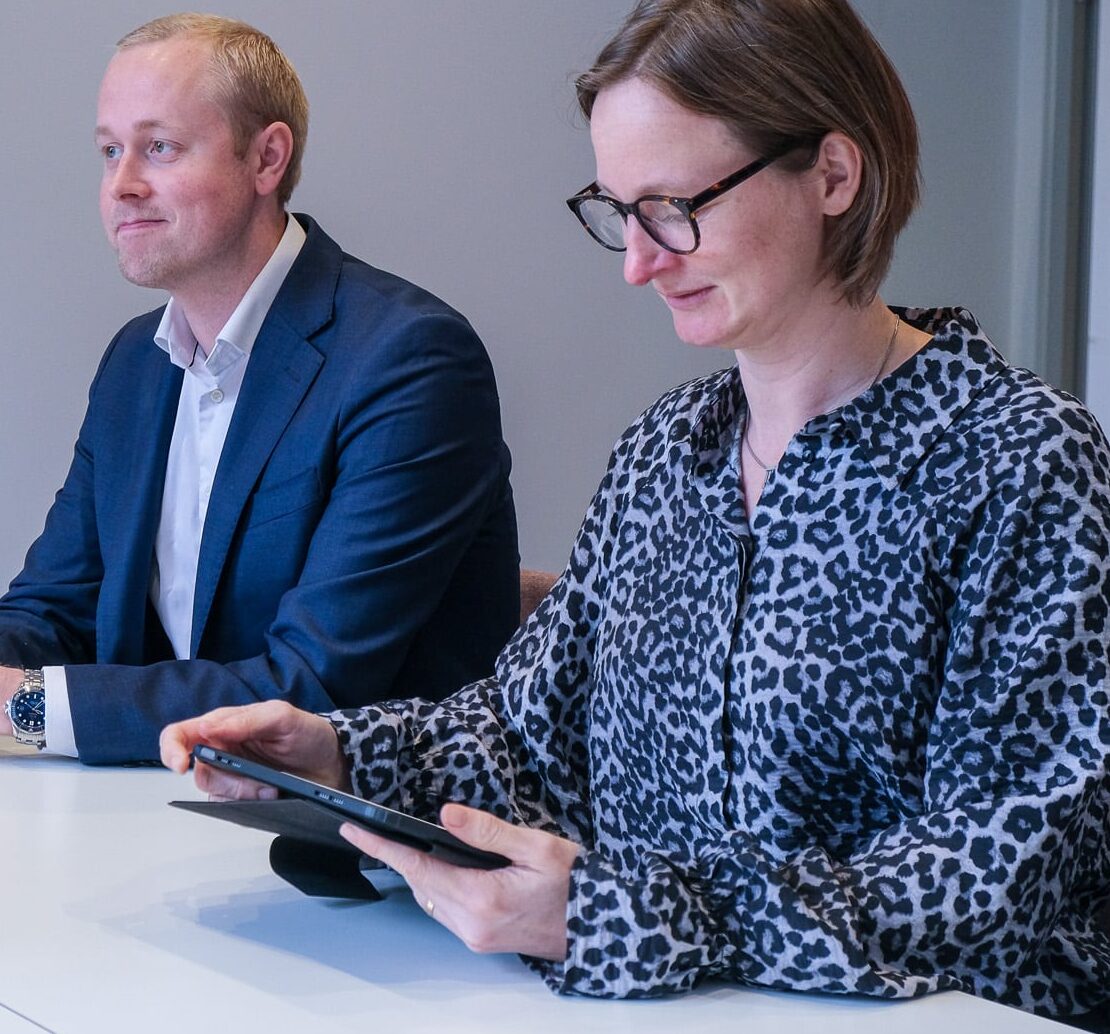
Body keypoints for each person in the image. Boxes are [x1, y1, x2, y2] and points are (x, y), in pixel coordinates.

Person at [161, 0, 1110, 1025]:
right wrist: (339, 754)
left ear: (834, 175)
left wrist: (630, 917)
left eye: (674, 206)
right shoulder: (667, 450)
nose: (639, 261)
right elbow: (527, 736)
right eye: (618, 211)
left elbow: (1003, 866)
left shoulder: (1022, 461)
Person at [0, 14, 519, 765]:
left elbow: (310, 685)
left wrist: (22, 709)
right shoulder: (133, 365)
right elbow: (53, 610)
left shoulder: (410, 359)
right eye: (110, 150)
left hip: (359, 826)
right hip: (158, 803)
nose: (122, 185)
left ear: (267, 158)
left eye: (159, 147)